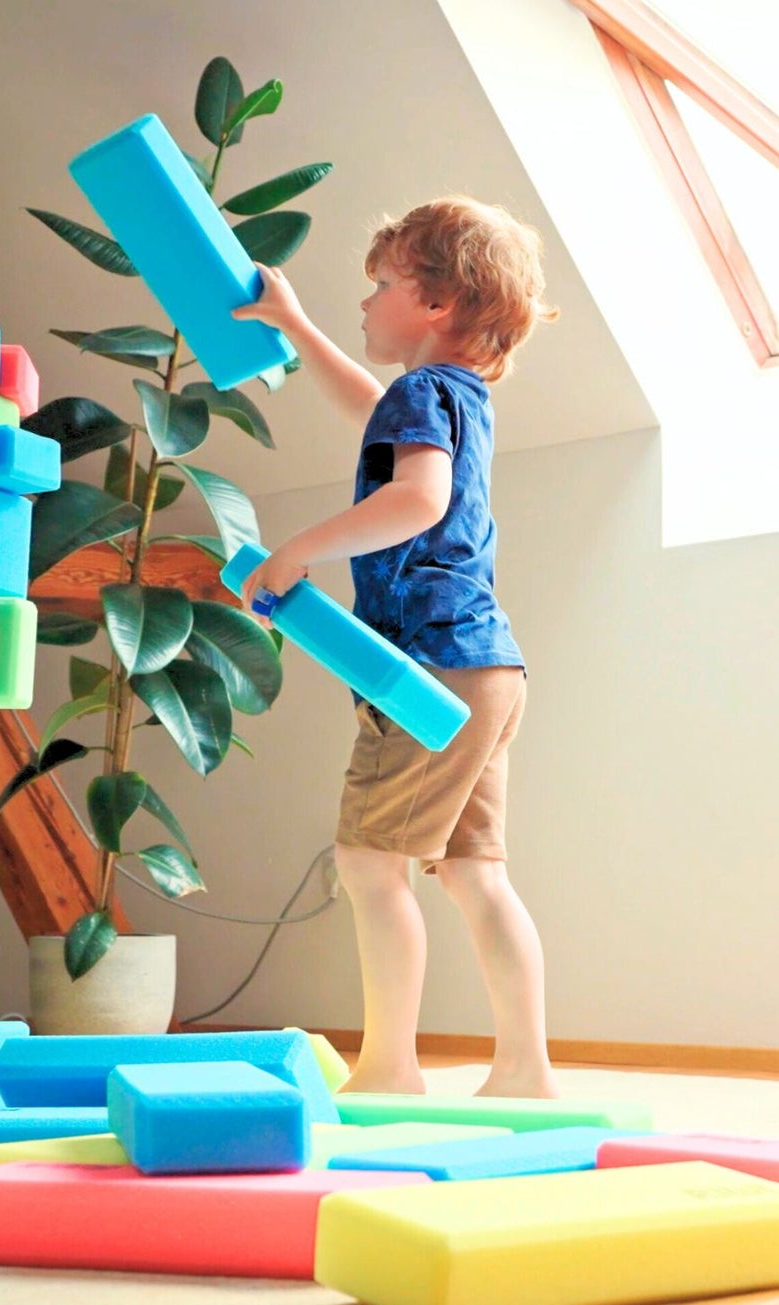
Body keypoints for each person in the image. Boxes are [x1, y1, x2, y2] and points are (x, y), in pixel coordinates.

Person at [231, 196, 560, 1098]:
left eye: (381, 284)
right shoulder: (454, 396)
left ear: (438, 302)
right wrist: (294, 326)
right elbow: (373, 410)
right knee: (474, 872)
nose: (366, 301)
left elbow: (416, 499)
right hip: (488, 666)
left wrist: (297, 549)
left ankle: (387, 1068)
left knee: (369, 861)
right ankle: (524, 1070)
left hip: (429, 667)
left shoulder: (423, 394)